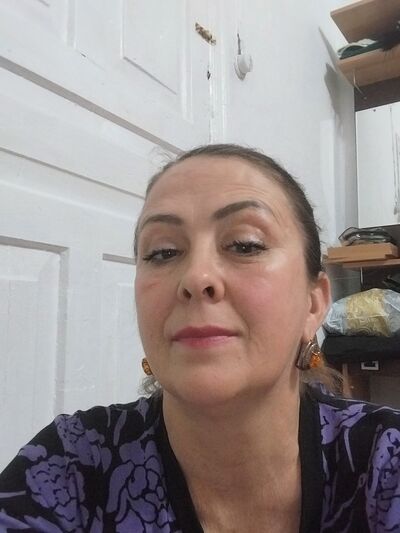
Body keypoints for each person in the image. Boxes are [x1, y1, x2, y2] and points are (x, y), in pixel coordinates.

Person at [1, 144, 400, 533]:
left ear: (313, 304)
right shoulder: (70, 466)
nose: (196, 277)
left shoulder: (385, 462)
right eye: (163, 252)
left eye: (245, 245)